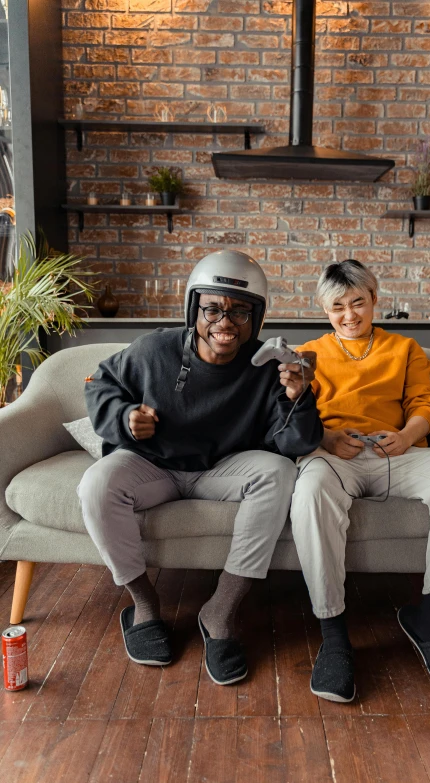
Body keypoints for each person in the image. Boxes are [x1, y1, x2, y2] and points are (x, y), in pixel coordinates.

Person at [78, 249, 322, 685]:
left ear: (257, 318)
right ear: (194, 310)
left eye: (240, 312)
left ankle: (221, 611)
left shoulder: (269, 368)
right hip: (153, 467)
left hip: (221, 470)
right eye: (212, 309)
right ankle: (146, 606)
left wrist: (299, 397)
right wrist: (124, 417)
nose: (225, 323)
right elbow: (99, 383)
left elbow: (295, 444)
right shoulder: (154, 349)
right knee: (97, 484)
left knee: (279, 472)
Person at [291, 259, 430, 702]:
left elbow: (426, 403)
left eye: (358, 302)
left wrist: (406, 435)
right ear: (325, 310)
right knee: (308, 490)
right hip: (334, 456)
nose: (350, 315)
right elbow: (293, 415)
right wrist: (325, 436)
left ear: (375, 300)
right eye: (338, 306)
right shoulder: (309, 354)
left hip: (394, 454)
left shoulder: (405, 349)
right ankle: (334, 635)